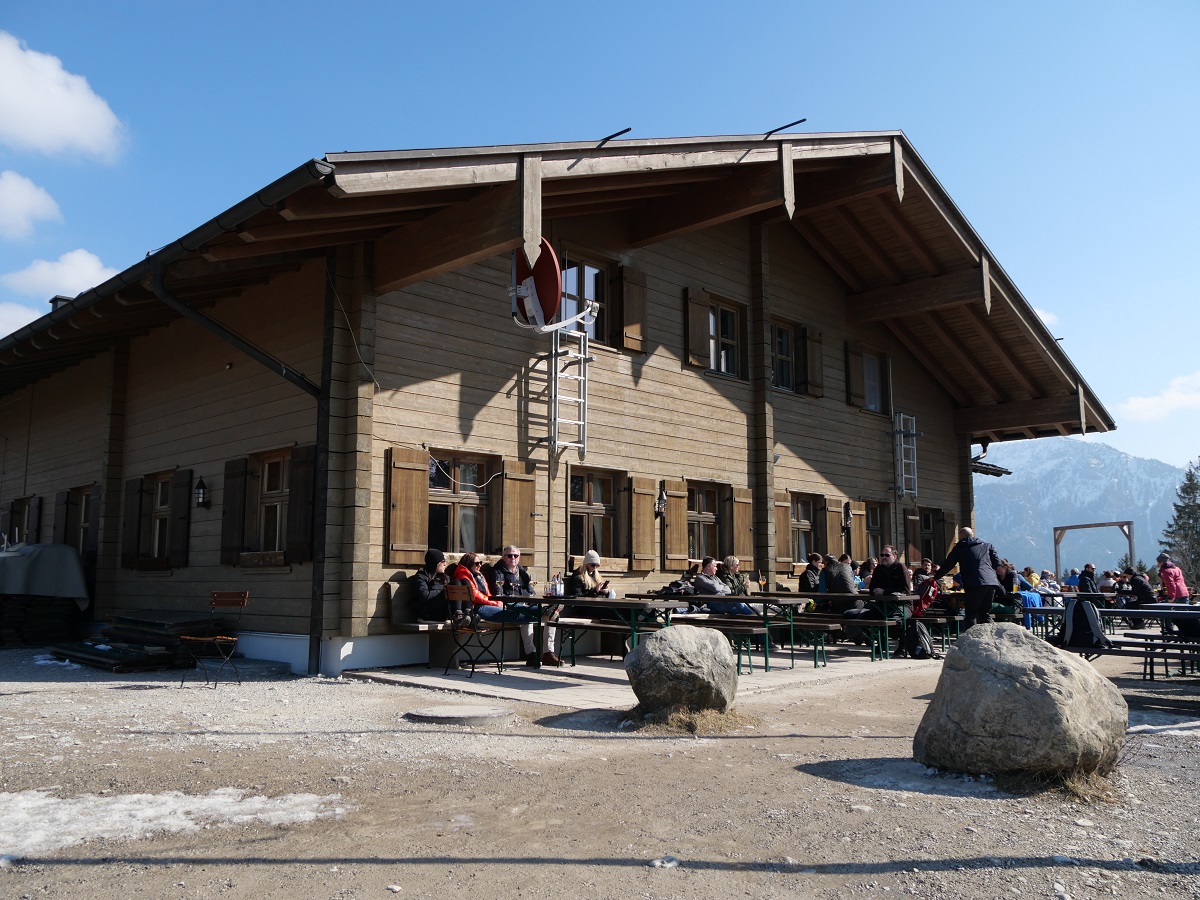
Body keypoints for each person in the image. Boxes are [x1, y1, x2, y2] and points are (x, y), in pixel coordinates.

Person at [490, 545, 560, 666]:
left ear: (519, 558)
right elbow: (498, 593)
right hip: (510, 606)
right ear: (503, 557)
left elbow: (531, 591)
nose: (513, 558)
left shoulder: (522, 572)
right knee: (526, 616)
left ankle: (548, 653)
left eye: (516, 556)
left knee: (553, 616)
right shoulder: (498, 572)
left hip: (526, 604)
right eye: (510, 555)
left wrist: (529, 598)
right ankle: (531, 654)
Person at [936, 527, 1002, 630]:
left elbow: (948, 565)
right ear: (972, 534)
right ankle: (994, 636)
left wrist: (935, 577)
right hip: (991, 583)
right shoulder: (987, 546)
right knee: (984, 613)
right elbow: (997, 564)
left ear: (961, 536)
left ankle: (972, 641)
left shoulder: (960, 548)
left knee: (971, 614)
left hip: (974, 583)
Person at [411, 548, 458, 625]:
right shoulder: (420, 577)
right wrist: (443, 588)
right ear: (435, 563)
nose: (445, 564)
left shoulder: (443, 577)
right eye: (443, 562)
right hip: (429, 613)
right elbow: (424, 596)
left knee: (456, 583)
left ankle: (460, 614)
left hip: (445, 611)